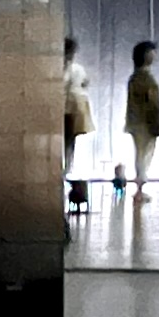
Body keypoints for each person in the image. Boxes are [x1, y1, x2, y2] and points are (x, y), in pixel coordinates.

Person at [123, 38, 159, 200]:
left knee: (141, 153)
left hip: (136, 121)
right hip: (145, 122)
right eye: (151, 52)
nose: (154, 55)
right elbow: (153, 101)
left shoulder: (135, 77)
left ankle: (140, 186)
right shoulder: (145, 78)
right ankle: (140, 187)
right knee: (144, 154)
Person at [60, 34, 94, 202]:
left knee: (69, 141)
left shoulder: (75, 69)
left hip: (71, 110)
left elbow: (85, 83)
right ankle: (63, 170)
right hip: (64, 108)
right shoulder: (65, 69)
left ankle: (66, 170)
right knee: (65, 141)